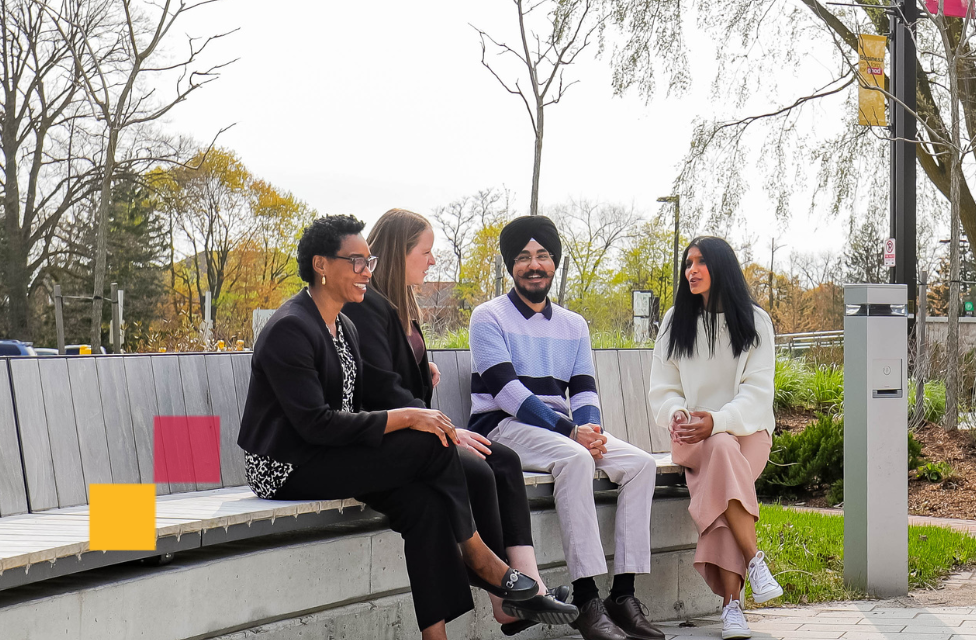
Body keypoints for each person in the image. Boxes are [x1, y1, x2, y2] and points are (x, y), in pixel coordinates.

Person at [239, 215, 540, 640]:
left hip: (328, 451)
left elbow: (365, 394)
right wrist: (409, 418)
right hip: (286, 464)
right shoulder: (291, 327)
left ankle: (435, 635)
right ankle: (477, 554)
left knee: (424, 504)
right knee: (431, 445)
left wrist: (422, 374)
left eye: (370, 261)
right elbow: (315, 423)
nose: (367, 272)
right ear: (322, 265)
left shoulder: (342, 325)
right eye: (357, 262)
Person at [343, 208, 578, 633]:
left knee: (501, 461)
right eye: (426, 251)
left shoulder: (401, 305)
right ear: (402, 251)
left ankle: (529, 586)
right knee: (479, 471)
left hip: (413, 429)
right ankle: (503, 593)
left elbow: (400, 383)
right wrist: (449, 429)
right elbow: (378, 388)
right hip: (388, 440)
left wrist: (425, 376)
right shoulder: (368, 307)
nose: (432, 261)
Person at [468, 215, 664, 640]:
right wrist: (571, 433)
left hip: (561, 433)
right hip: (504, 428)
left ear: (554, 263)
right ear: (510, 266)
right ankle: (586, 598)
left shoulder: (574, 325)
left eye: (542, 256)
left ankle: (623, 595)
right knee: (574, 459)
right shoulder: (489, 317)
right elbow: (506, 392)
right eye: (523, 258)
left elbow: (584, 390)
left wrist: (590, 429)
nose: (533, 265)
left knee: (641, 464)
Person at [646, 237, 784, 639]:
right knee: (720, 456)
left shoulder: (756, 322)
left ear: (721, 267)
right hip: (691, 435)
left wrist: (719, 421)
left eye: (701, 262)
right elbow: (663, 388)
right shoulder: (676, 321)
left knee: (723, 465)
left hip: (747, 432)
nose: (691, 270)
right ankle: (754, 561)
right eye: (687, 263)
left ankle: (733, 607)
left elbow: (758, 394)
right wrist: (680, 415)